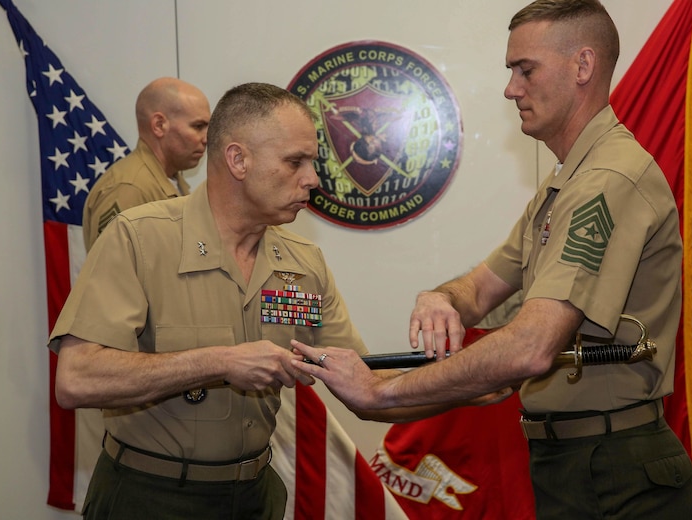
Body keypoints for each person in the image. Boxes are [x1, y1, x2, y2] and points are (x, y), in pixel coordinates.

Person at [293, 1, 692, 518]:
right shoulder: (565, 183)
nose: (511, 88)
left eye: (525, 69)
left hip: (613, 468)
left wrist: (382, 393)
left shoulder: (607, 181)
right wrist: (442, 298)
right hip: (574, 461)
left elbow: (530, 347)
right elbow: (483, 287)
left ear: (583, 66)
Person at [48, 82, 502, 520]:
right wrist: (219, 362)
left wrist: (465, 383)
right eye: (295, 162)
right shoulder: (141, 238)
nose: (314, 179)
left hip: (254, 496)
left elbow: (368, 389)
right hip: (149, 497)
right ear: (238, 159)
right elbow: (76, 378)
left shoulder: (303, 264)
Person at [82, 76, 210, 251]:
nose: (206, 138)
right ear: (159, 125)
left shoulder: (170, 180)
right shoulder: (128, 189)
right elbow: (113, 271)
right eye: (198, 126)